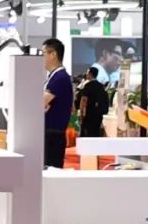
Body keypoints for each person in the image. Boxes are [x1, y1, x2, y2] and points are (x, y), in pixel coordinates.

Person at [42, 38, 73, 168]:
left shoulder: (60, 78)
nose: (41, 57)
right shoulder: (53, 77)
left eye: (43, 53)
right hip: (50, 133)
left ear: (53, 54)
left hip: (53, 134)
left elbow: (40, 102)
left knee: (51, 170)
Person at [78, 67, 108, 138]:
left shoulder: (87, 85)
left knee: (87, 133)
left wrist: (81, 114)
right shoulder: (101, 86)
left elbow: (84, 100)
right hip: (98, 114)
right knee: (96, 133)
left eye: (87, 73)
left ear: (90, 74)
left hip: (89, 114)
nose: (86, 74)